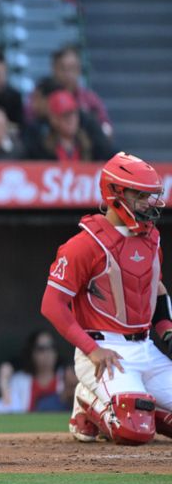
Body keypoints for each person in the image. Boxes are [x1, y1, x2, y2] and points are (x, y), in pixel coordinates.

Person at [40, 152, 172, 445]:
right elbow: (52, 304)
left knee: (142, 422)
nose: (149, 204)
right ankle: (87, 401)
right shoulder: (85, 244)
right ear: (115, 193)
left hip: (146, 347)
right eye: (140, 195)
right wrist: (91, 350)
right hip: (103, 350)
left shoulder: (152, 238)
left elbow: (156, 288)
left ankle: (143, 409)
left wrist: (166, 330)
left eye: (150, 196)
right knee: (134, 432)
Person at [24, 89, 112, 161]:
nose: (71, 120)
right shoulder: (41, 148)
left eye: (74, 114)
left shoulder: (92, 143)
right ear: (53, 119)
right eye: (65, 116)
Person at [52, 46, 112, 138]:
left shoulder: (90, 99)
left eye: (72, 68)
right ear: (54, 70)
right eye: (63, 68)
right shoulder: (45, 98)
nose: (68, 74)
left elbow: (106, 126)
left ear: (79, 70)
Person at [3, 330, 67, 412]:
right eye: (41, 349)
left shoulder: (66, 379)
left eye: (51, 347)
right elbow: (9, 411)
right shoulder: (18, 381)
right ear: (32, 353)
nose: (47, 353)